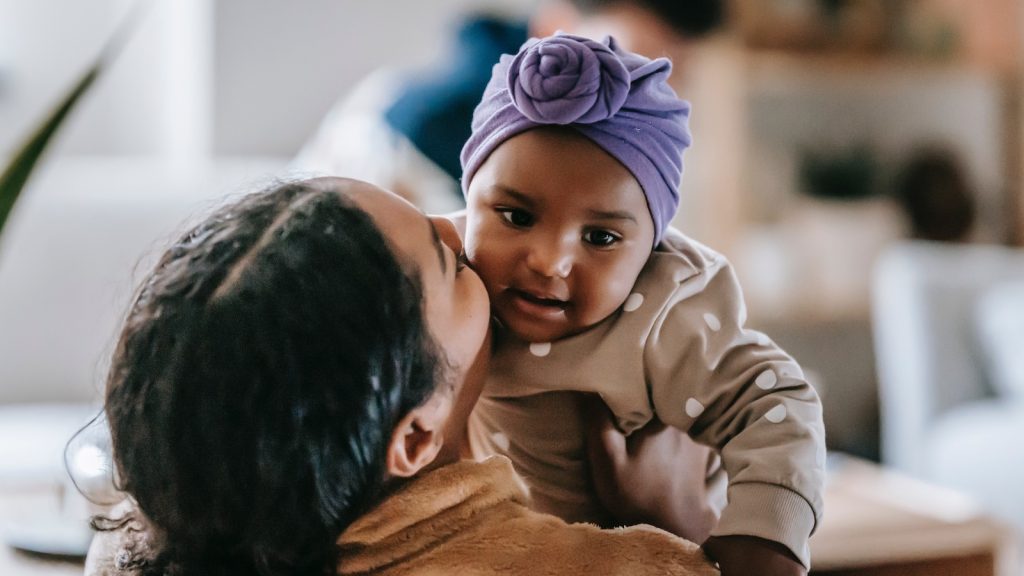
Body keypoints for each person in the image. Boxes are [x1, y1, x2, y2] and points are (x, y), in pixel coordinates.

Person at [83, 177, 719, 576]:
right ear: (414, 438)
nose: (462, 232)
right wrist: (684, 525)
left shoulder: (128, 548)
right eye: (449, 263)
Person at [458, 33, 827, 576]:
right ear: (469, 199)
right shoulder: (443, 270)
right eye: (515, 217)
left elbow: (776, 405)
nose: (550, 261)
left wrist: (761, 543)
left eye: (601, 238)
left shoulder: (661, 311)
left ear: (649, 250)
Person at [291, 0, 724, 213]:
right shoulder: (403, 131)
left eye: (677, 74)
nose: (657, 93)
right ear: (555, 28)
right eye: (634, 62)